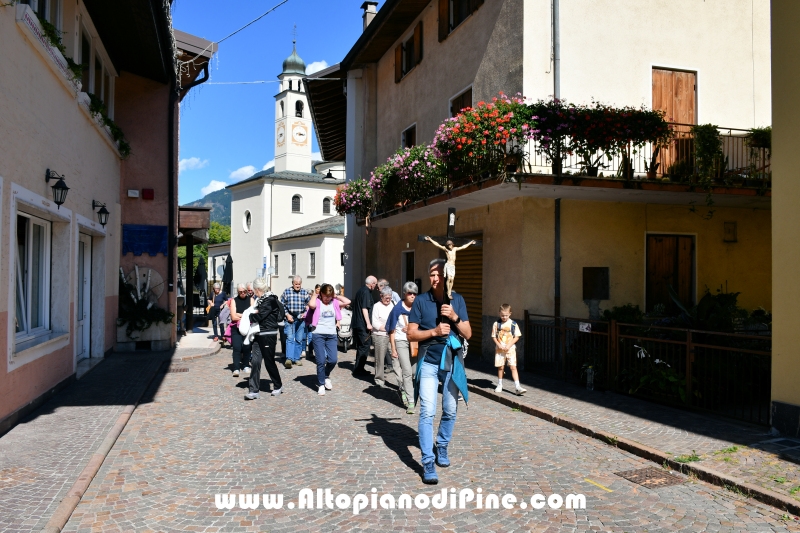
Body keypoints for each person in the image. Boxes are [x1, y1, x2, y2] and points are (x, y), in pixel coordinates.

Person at [408, 259, 472, 485]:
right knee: (427, 411)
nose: (435, 279)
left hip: (451, 363)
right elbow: (411, 334)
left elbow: (468, 333)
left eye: (438, 274)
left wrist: (454, 317)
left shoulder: (458, 300)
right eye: (431, 274)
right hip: (428, 363)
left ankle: (442, 447)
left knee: (450, 409)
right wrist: (434, 331)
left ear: (447, 276)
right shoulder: (421, 302)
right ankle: (427, 461)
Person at [306, 284, 351, 395]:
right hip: (318, 334)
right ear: (321, 294)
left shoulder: (334, 302)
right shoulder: (317, 302)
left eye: (329, 296)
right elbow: (311, 304)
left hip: (331, 334)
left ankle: (326, 375)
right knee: (320, 360)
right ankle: (321, 384)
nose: (327, 298)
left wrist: (336, 296)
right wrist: (315, 295)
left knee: (333, 360)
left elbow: (348, 301)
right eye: (325, 296)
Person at [245, 278, 285, 400]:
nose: (253, 292)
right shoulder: (261, 300)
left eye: (254, 290)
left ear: (257, 289)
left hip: (268, 334)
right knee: (256, 361)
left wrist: (250, 315)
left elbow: (260, 316)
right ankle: (254, 390)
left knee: (269, 361)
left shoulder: (270, 300)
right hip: (258, 333)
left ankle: (278, 385)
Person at [387, 281, 418, 414]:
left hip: (415, 341)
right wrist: (393, 348)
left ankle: (403, 390)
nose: (412, 296)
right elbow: (391, 330)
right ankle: (411, 402)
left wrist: (413, 328)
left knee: (415, 372)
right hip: (401, 341)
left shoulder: (418, 307)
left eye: (415, 293)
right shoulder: (397, 309)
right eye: (410, 293)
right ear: (404, 294)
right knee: (406, 371)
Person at [493, 304, 526, 395]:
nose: (504, 317)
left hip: (510, 349)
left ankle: (517, 386)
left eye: (506, 315)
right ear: (499, 313)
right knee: (501, 367)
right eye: (502, 315)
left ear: (510, 314)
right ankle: (500, 384)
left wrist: (509, 345)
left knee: (513, 367)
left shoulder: (513, 324)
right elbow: (494, 336)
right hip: (499, 349)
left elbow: (517, 336)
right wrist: (498, 344)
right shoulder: (496, 324)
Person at [280, 276, 310, 369]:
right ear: (292, 283)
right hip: (290, 317)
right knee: (290, 338)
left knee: (299, 339)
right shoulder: (287, 291)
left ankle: (297, 358)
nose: (297, 286)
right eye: (296, 284)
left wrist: (305, 313)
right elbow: (282, 305)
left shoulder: (305, 292)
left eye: (299, 284)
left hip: (300, 319)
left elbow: (309, 305)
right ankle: (289, 359)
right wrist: (287, 315)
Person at [352, 276, 377, 375]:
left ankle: (358, 368)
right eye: (375, 283)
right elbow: (364, 308)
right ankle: (359, 369)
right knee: (365, 346)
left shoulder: (360, 290)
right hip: (362, 324)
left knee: (361, 346)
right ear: (371, 283)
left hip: (357, 323)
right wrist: (368, 323)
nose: (375, 286)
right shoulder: (366, 292)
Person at [228, 283, 254, 378]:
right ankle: (236, 368)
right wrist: (245, 315)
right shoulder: (234, 301)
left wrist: (240, 315)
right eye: (240, 292)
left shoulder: (251, 300)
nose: (242, 293)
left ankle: (246, 365)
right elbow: (233, 317)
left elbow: (253, 315)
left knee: (247, 347)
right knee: (237, 347)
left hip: (247, 328)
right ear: (238, 292)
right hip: (236, 328)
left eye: (244, 292)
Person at [371, 287, 394, 387]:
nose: (388, 300)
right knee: (380, 359)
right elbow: (375, 323)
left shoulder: (392, 305)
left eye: (389, 297)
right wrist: (386, 328)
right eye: (386, 298)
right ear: (381, 296)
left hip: (391, 334)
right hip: (380, 335)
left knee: (395, 357)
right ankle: (379, 379)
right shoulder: (376, 306)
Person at [307, 284, 322, 359]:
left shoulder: (322, 297)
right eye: (318, 289)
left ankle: (318, 353)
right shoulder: (313, 297)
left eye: (320, 289)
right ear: (315, 289)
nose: (319, 290)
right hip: (312, 320)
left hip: (319, 321)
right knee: (310, 337)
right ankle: (310, 352)